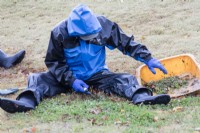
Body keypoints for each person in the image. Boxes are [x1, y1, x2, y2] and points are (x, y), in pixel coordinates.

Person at [0, 4, 170, 113]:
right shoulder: (59, 33)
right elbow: (54, 62)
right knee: (37, 80)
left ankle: (141, 97)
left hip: (96, 74)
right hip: (66, 77)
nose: (93, 36)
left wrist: (147, 58)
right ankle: (25, 102)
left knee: (125, 79)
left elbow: (125, 43)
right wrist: (71, 80)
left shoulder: (103, 25)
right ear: (75, 33)